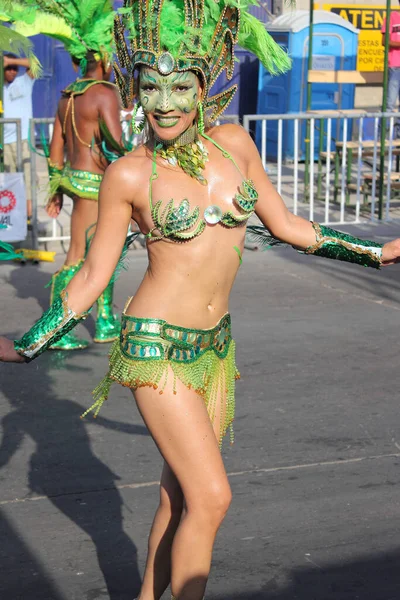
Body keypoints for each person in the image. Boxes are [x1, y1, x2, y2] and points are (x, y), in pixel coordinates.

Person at [2, 1, 400, 599]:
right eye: (152, 87)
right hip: (154, 346)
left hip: (214, 348)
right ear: (137, 89)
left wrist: (379, 254)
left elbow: (289, 226)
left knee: (181, 495)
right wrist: (24, 347)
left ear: (203, 86)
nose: (164, 102)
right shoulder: (129, 175)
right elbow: (89, 278)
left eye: (179, 86)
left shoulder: (236, 144)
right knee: (213, 498)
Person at [9, 0, 126, 350]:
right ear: (103, 58)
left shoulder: (67, 96)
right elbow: (115, 143)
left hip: (75, 181)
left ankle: (105, 320)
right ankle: (61, 330)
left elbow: (56, 148)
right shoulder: (104, 94)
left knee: (104, 251)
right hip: (97, 185)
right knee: (80, 255)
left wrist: (56, 191)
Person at [2, 53, 36, 220]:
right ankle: (13, 217)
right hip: (5, 143)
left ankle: (29, 217)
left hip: (23, 140)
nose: (12, 72)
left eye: (15, 68)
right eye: (8, 69)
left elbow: (35, 64)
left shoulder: (24, 82)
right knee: (9, 181)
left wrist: (10, 61)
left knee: (27, 180)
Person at [382, 8, 400, 137]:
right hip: (395, 65)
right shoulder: (391, 17)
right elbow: (385, 41)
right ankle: (382, 139)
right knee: (389, 104)